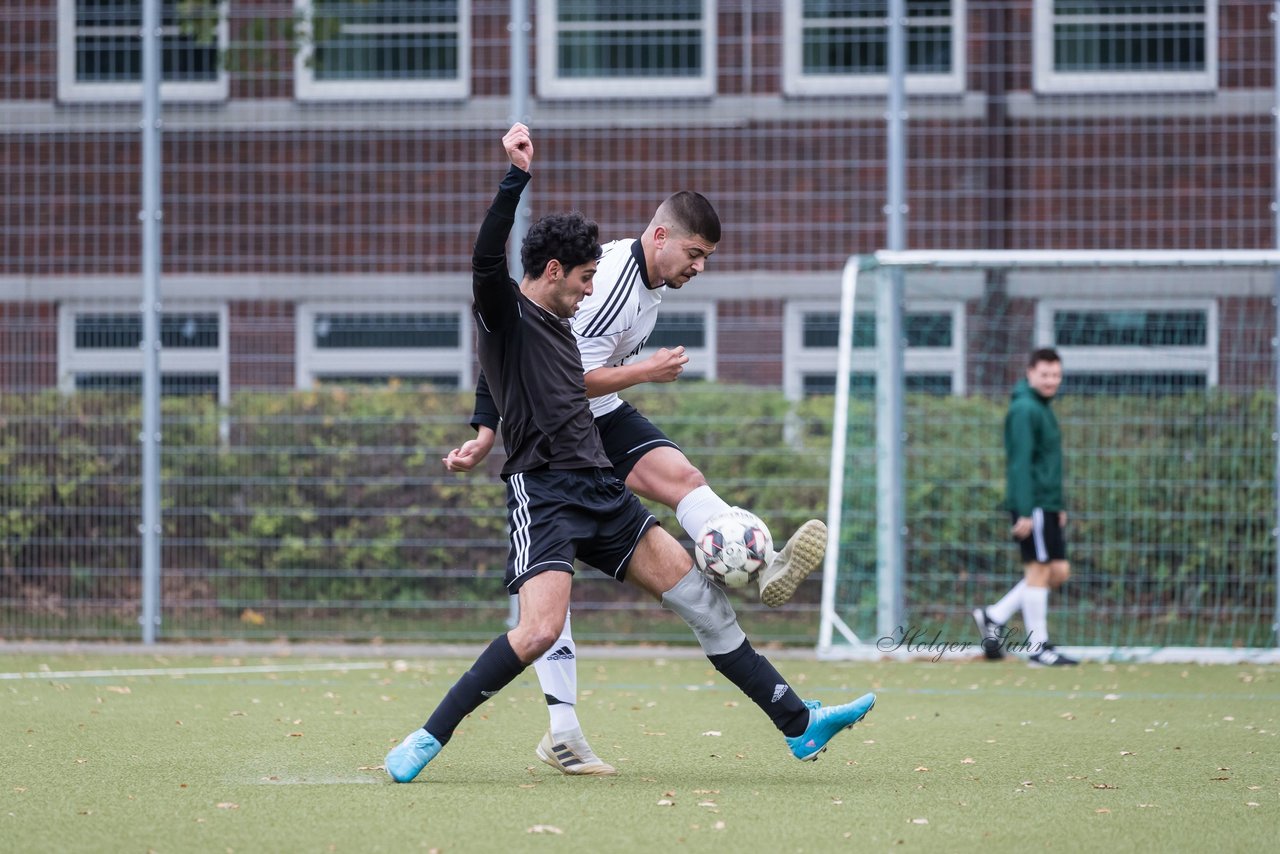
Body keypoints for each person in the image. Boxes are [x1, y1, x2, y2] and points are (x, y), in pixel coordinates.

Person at [384, 123, 875, 784]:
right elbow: (484, 262)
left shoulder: (559, 322)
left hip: (602, 492)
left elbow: (495, 376)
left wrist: (482, 427)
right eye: (585, 279)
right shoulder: (505, 312)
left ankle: (798, 723)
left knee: (704, 602)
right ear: (554, 271)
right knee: (535, 631)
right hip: (547, 495)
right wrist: (516, 178)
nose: (592, 291)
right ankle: (427, 734)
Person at [444, 190, 827, 776]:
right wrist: (643, 373)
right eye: (695, 254)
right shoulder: (609, 282)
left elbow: (509, 345)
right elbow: (542, 361)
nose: (699, 267)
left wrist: (483, 428)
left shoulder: (642, 286)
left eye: (706, 258)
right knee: (546, 605)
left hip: (594, 423)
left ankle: (758, 564)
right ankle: (560, 728)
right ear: (659, 237)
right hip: (566, 435)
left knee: (685, 482)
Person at [973, 348, 1078, 667]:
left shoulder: (1042, 408)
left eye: (1056, 375)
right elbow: (1020, 464)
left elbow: (1046, 464)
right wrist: (1023, 510)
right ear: (1030, 373)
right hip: (1031, 504)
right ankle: (1038, 648)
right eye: (1045, 375)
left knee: (1057, 571)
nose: (1051, 381)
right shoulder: (1024, 409)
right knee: (1039, 570)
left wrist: (1056, 504)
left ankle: (994, 616)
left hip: (1046, 503)